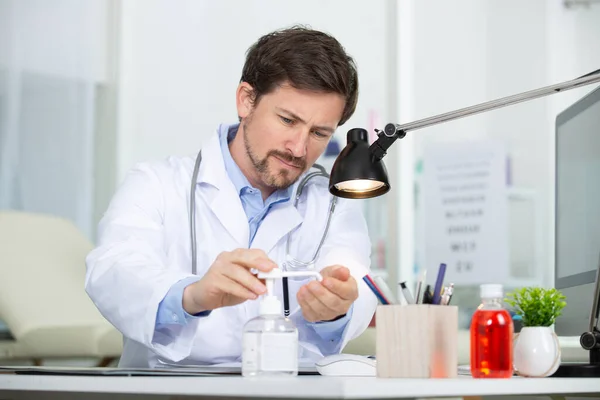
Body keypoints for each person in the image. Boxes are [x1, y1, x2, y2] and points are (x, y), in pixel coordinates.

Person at [85, 25, 377, 368]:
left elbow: (356, 278)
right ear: (246, 100)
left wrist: (335, 310)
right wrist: (191, 294)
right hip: (171, 388)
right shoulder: (157, 184)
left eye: (319, 133)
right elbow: (112, 271)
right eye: (287, 120)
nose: (299, 148)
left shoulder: (331, 204)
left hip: (287, 391)